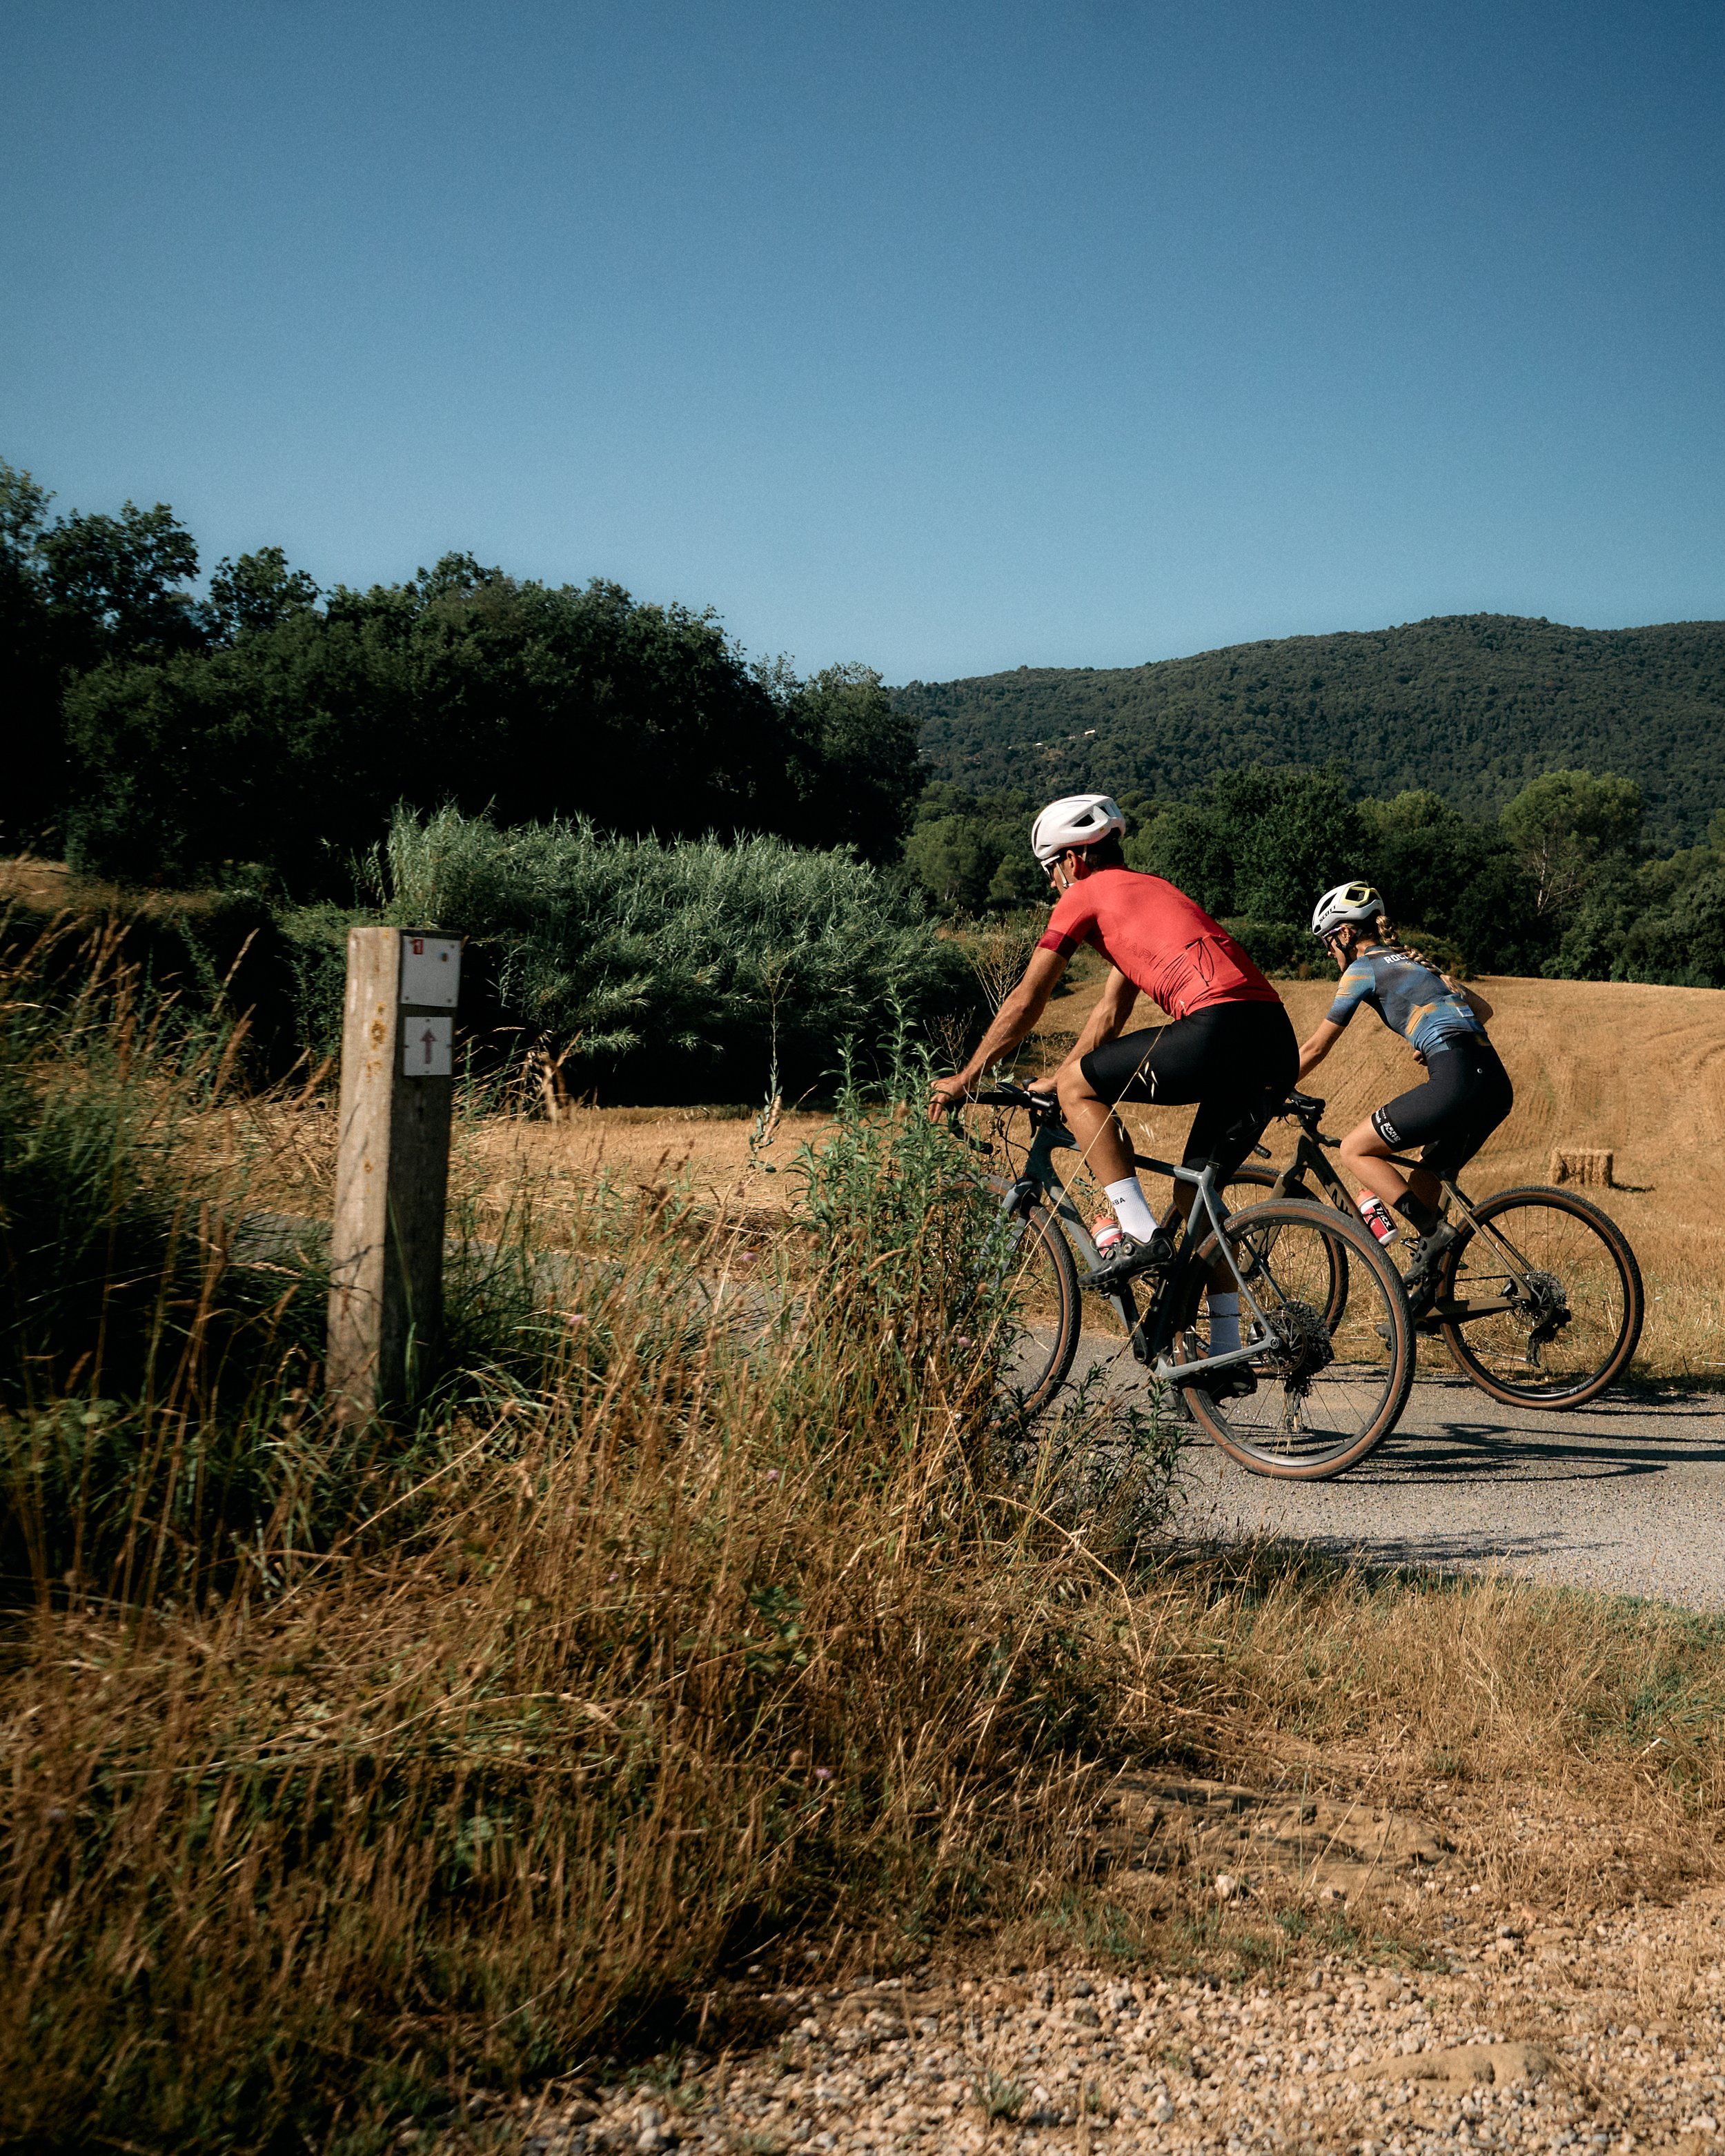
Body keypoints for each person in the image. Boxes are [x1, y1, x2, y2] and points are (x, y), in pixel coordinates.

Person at [929, 793, 1298, 1393]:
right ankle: (1228, 1353)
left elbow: (1028, 999)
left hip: (1217, 1027)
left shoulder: (1085, 894)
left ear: (1073, 859)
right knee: (1196, 1198)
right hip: (1274, 1040)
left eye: (1049, 869)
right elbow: (1108, 1014)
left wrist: (968, 1075)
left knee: (1083, 1086)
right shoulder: (1150, 893)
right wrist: (1060, 1078)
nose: (1051, 883)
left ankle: (1139, 1234)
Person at [1295, 881, 1512, 1292]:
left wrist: (1269, 1088)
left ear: (1346, 933)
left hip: (1457, 1080)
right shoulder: (1418, 963)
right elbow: (1482, 1010)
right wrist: (1438, 1038)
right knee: (1429, 1173)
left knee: (1354, 1149)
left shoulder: (1362, 969)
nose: (1327, 952)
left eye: (1328, 941)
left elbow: (1316, 1047)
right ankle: (1427, 1297)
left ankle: (1434, 1234)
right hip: (1495, 1085)